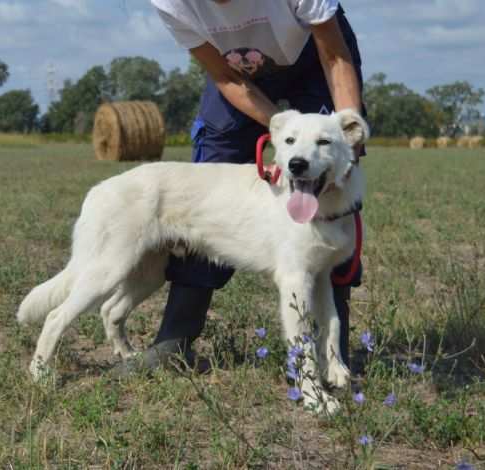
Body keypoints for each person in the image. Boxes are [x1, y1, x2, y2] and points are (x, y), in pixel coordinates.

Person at [113, 0, 365, 375]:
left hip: (317, 62)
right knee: (203, 196)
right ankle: (175, 341)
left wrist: (347, 139)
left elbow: (335, 59)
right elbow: (228, 79)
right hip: (236, 77)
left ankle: (334, 352)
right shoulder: (171, 3)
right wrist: (282, 135)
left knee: (332, 185)